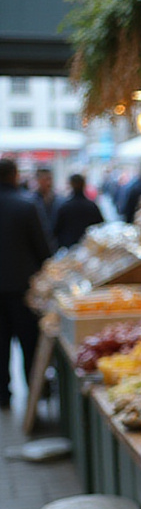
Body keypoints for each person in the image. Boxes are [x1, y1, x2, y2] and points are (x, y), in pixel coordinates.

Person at [0, 158, 52, 410]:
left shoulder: (26, 204)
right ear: (14, 175)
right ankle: (36, 393)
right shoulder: (26, 205)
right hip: (22, 287)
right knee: (29, 342)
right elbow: (43, 249)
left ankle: (2, 395)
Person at [53, 173, 104, 249]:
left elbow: (55, 230)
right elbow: (101, 227)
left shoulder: (64, 207)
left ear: (71, 185)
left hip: (68, 248)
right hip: (88, 249)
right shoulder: (92, 206)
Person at [32, 166, 58, 240]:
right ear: (38, 180)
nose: (48, 183)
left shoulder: (58, 200)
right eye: (44, 179)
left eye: (49, 179)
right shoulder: (31, 201)